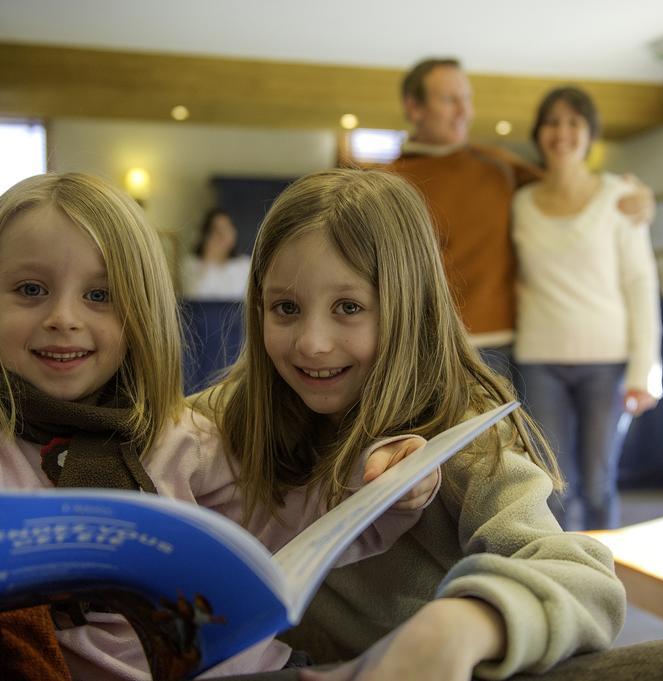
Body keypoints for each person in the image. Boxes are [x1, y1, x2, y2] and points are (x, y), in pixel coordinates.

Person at [0, 172, 436, 680]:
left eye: (100, 295)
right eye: (30, 290)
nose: (63, 318)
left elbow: (296, 525)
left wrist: (387, 485)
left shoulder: (185, 439)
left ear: (141, 313)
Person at [194, 167, 627, 680]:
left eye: (348, 307)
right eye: (285, 308)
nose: (311, 342)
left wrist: (463, 623)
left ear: (407, 309)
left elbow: (583, 576)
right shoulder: (227, 416)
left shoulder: (461, 433)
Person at [389, 58, 654, 379]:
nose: (465, 111)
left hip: (499, 350)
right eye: (449, 100)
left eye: (467, 99)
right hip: (426, 351)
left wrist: (640, 197)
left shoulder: (497, 166)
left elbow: (568, 186)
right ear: (414, 107)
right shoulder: (388, 183)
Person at [511, 86, 661, 532]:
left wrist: (642, 372)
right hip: (540, 359)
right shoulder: (520, 203)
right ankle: (557, 586)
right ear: (538, 134)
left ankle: (603, 591)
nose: (562, 132)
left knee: (598, 484)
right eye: (552, 122)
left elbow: (640, 284)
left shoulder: (620, 197)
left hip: (606, 361)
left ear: (590, 135)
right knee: (551, 486)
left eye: (574, 123)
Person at [181, 207, 251, 301]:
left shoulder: (244, 264)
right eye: (217, 231)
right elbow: (192, 296)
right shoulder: (190, 264)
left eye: (227, 228)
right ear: (206, 236)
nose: (222, 235)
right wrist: (209, 257)